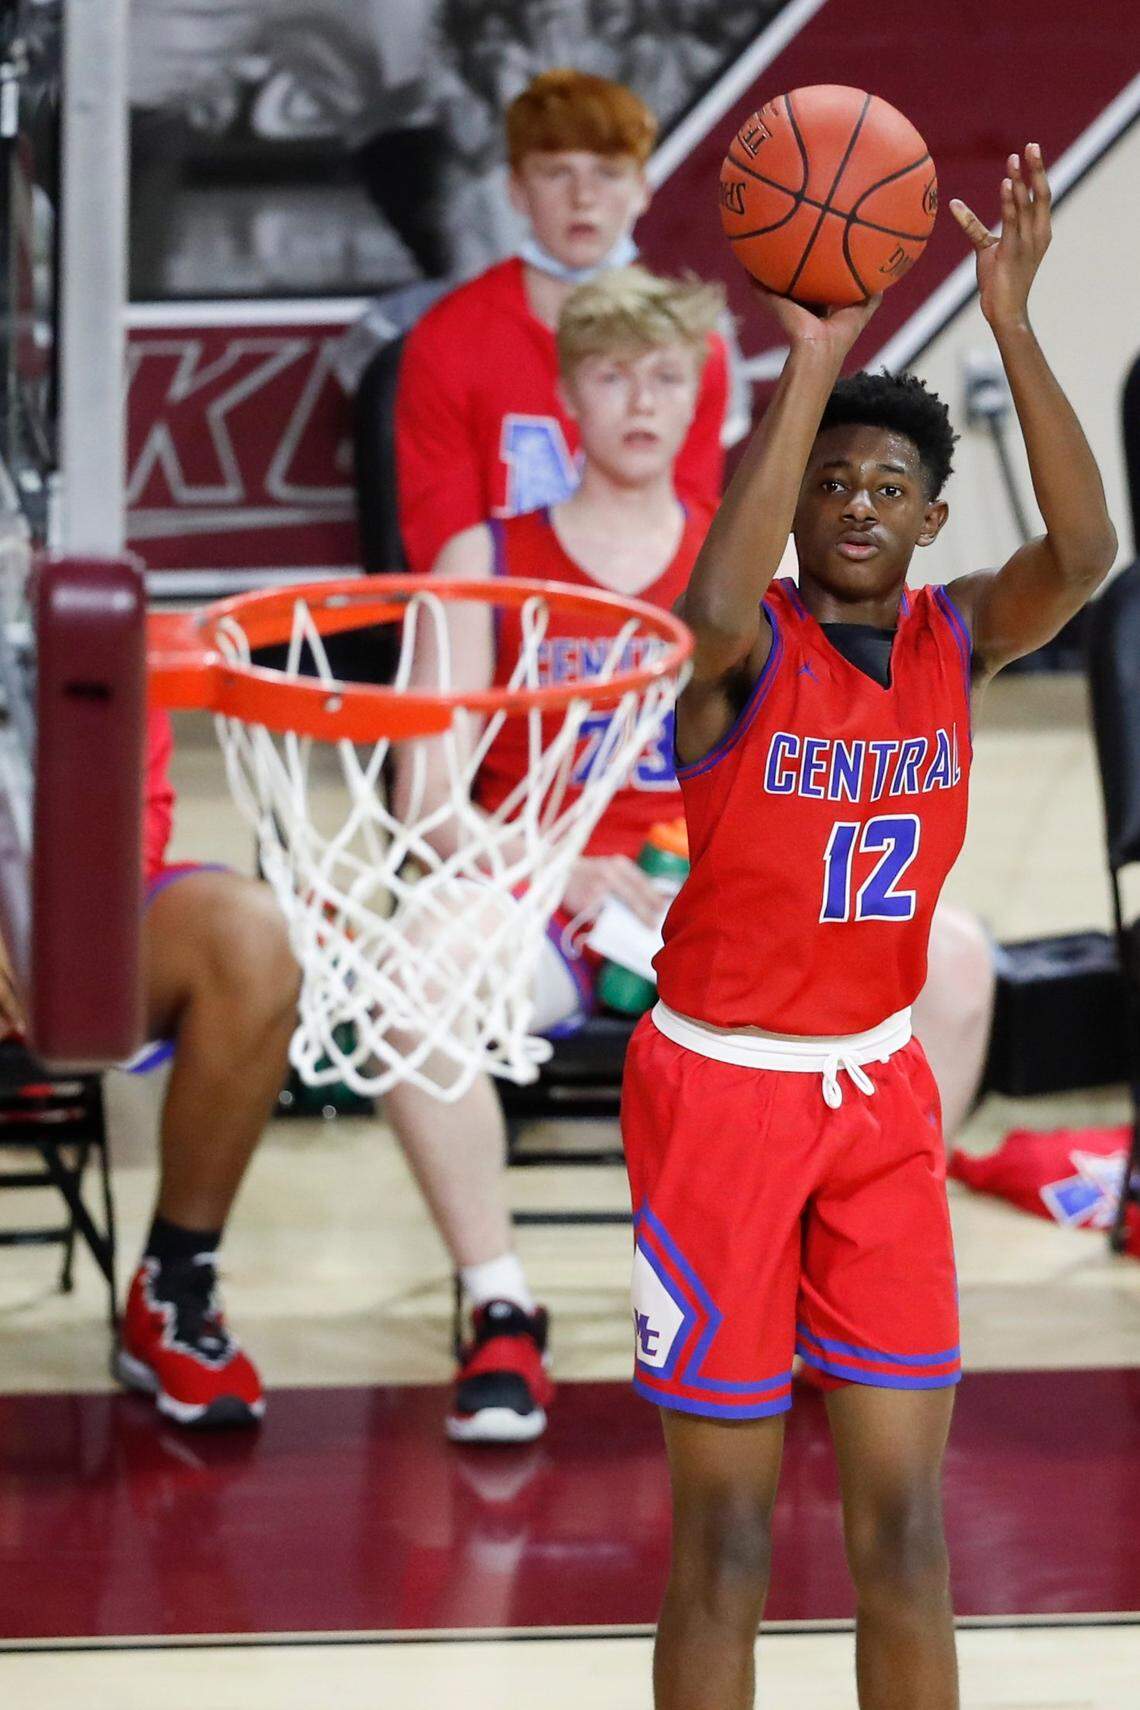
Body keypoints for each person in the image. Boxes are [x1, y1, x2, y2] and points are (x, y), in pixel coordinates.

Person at [621, 144, 1116, 1709]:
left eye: (887, 486)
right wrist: (814, 357)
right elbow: (702, 610)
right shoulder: (738, 651)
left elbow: (1087, 556)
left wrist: (1015, 326)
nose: (853, 503)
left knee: (906, 1529)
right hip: (718, 1098)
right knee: (730, 1536)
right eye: (831, 480)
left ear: (929, 518)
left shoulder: (952, 636)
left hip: (878, 1100)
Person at [386, 265, 725, 1443]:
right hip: (530, 888)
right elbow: (427, 799)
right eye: (613, 374)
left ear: (701, 400)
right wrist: (558, 866)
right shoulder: (484, 562)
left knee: (949, 962)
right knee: (406, 991)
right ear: (568, 395)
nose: (641, 399)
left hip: (705, 902)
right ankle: (500, 1306)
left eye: (666, 375)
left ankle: (805, 1304)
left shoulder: (745, 572)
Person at [394, 67, 730, 576]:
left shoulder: (691, 346)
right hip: (503, 633)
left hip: (644, 634)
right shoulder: (446, 340)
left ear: (642, 188)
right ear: (517, 191)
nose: (584, 197)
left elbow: (689, 546)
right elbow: (444, 555)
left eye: (608, 172)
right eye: (557, 173)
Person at [114, 711, 300, 1428]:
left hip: (64, 919)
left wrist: (46, 933)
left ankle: (175, 1282)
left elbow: (129, 819)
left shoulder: (79, 609)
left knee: (251, 937)